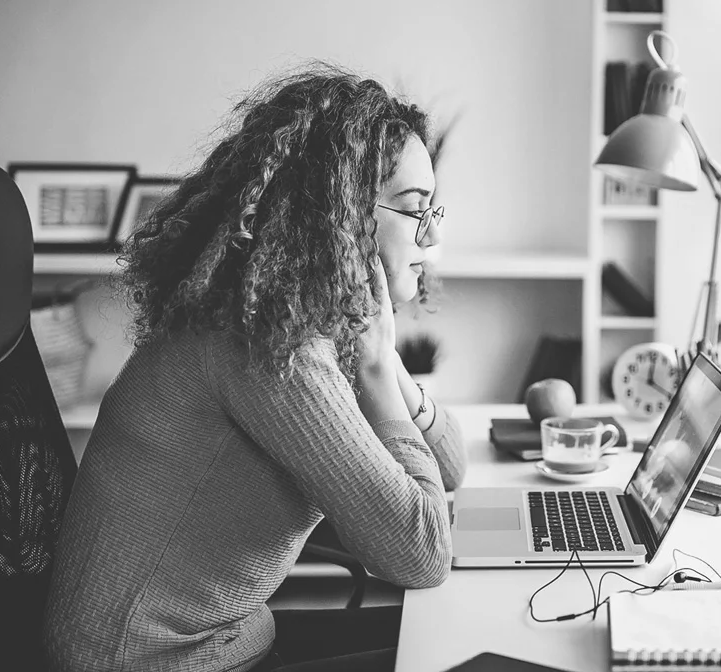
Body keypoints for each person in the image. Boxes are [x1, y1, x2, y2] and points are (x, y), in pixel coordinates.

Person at [44, 65, 465, 672]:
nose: (432, 241)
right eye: (415, 210)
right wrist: (375, 370)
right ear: (342, 214)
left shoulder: (306, 321)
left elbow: (450, 467)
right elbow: (421, 553)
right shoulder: (268, 347)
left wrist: (384, 357)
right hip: (157, 662)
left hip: (222, 640)